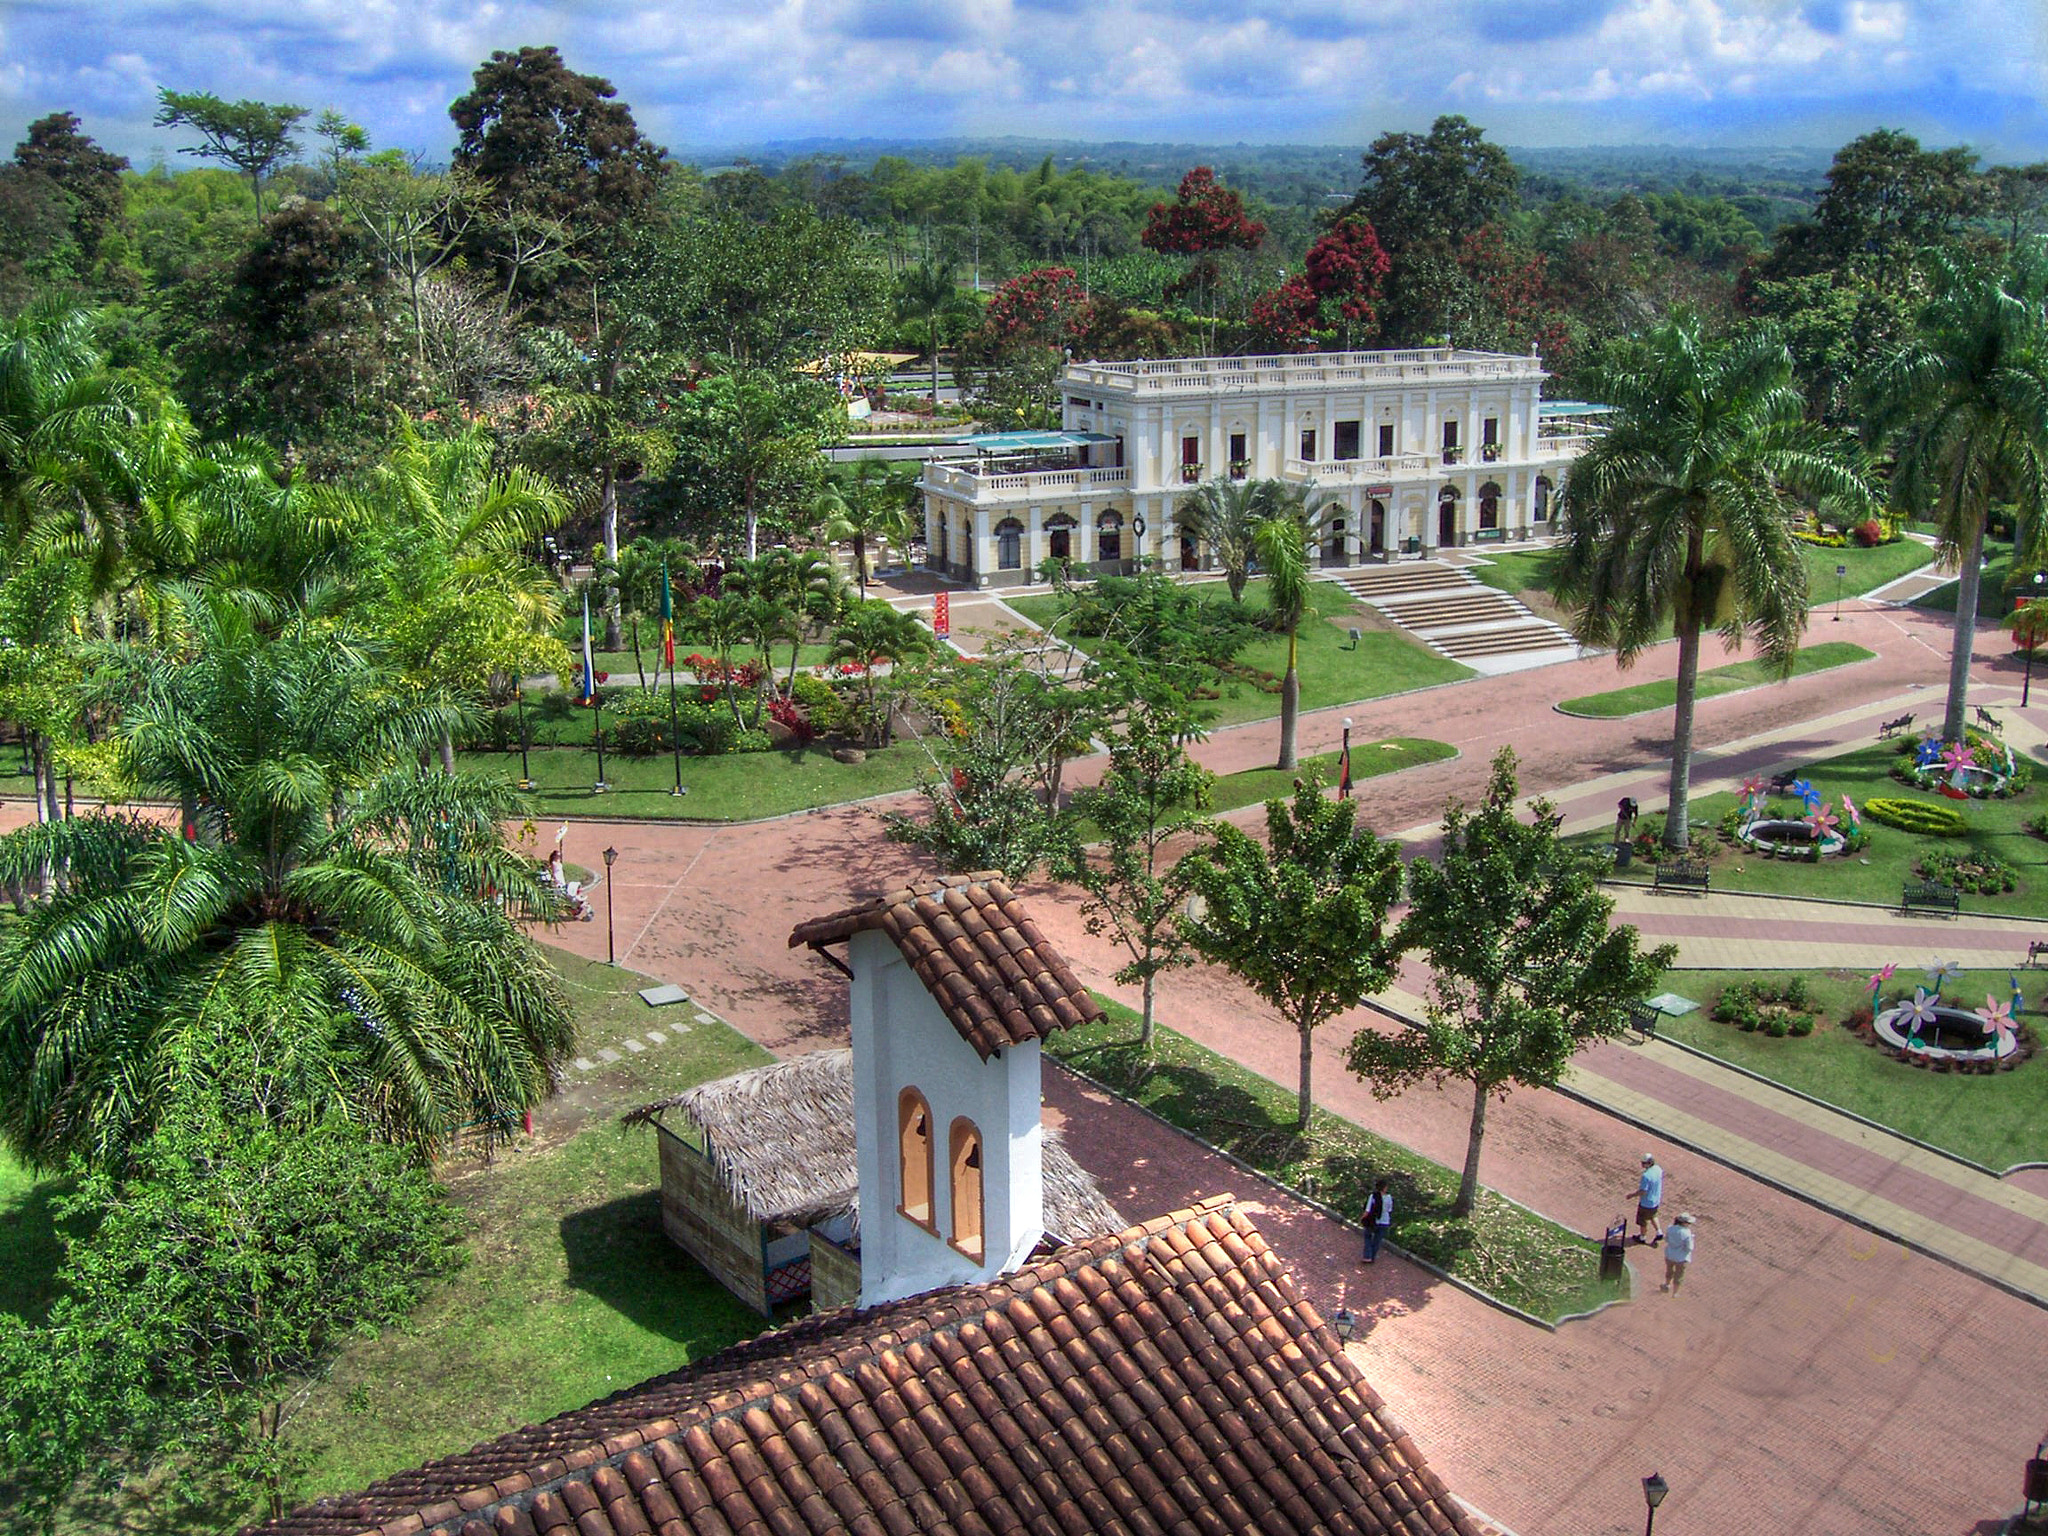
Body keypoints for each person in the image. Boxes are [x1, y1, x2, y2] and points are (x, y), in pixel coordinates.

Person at [1625, 1153, 1665, 1245]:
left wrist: (1631, 1195)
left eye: (1643, 1163)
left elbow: (1643, 1191)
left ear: (1648, 1163)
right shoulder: (1658, 1169)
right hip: (1656, 1200)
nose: (1642, 1165)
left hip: (1646, 1202)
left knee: (1643, 1221)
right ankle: (1659, 1232)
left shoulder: (1646, 1176)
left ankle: (1642, 1237)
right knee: (1653, 1215)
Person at [1661, 1212, 1696, 1292]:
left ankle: (1667, 1285)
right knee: (1679, 1275)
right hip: (1681, 1258)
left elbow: (1666, 1239)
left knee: (1669, 1271)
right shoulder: (1687, 1233)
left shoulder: (1670, 1228)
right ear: (1684, 1223)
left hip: (1669, 1255)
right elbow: (1689, 1248)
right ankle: (1675, 1292)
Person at [1361, 1179, 1393, 1264]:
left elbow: (1368, 1210)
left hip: (1373, 1221)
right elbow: (1389, 1210)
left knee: (1368, 1237)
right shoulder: (1389, 1197)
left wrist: (1362, 1218)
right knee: (1377, 1241)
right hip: (1385, 1221)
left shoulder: (1373, 1196)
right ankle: (1372, 1257)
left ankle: (1367, 1256)